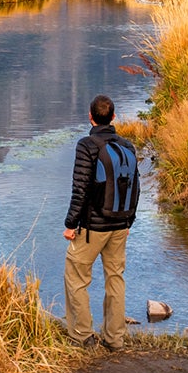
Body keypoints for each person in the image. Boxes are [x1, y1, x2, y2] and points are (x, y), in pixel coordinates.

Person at [62, 93, 139, 350]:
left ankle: (82, 336)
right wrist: (130, 222)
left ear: (90, 116)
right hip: (120, 225)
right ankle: (114, 339)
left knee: (76, 276)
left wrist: (70, 224)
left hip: (92, 227)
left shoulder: (87, 145)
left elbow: (80, 188)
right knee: (115, 279)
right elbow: (136, 187)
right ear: (113, 117)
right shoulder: (128, 146)